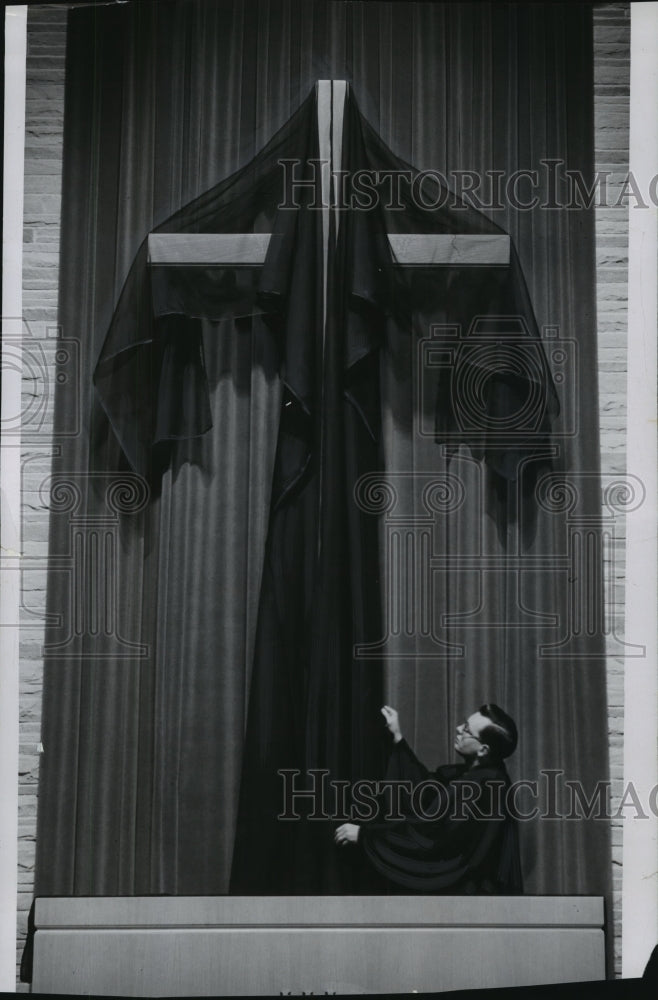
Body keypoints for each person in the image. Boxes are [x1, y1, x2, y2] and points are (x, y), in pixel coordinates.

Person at [334, 704, 523, 894]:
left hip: (467, 897)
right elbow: (426, 791)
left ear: (483, 750)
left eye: (466, 730)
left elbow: (430, 837)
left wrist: (366, 836)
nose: (458, 729)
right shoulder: (479, 775)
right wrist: (397, 736)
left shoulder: (484, 785)